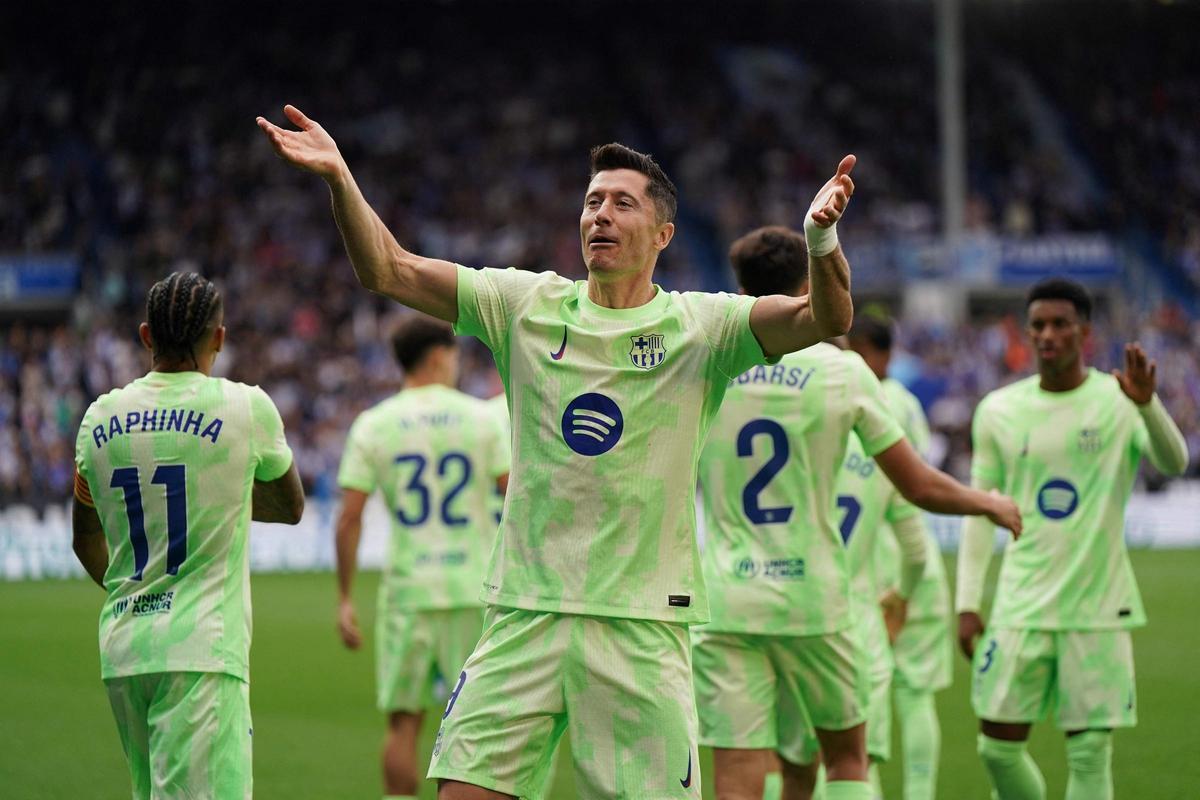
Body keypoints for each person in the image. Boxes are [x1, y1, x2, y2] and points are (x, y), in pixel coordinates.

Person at [257, 102, 855, 800]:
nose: (600, 213)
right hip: (525, 616)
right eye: (593, 200)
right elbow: (389, 270)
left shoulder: (706, 326)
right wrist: (339, 179)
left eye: (622, 203)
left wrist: (820, 242)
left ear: (663, 233)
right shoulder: (525, 305)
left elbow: (827, 317)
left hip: (639, 627)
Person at [691, 226, 1021, 800]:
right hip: (815, 600)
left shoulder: (709, 365)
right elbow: (916, 484)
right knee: (847, 758)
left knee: (740, 770)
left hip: (727, 599)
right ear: (804, 285)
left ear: (741, 287)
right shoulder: (842, 371)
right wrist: (986, 501)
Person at [72, 271, 305, 799]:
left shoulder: (99, 418)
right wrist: (220, 494)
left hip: (126, 651)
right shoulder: (246, 408)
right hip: (201, 651)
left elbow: (84, 538)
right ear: (218, 339)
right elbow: (291, 506)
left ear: (145, 336)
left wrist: (138, 596)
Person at [956, 278, 1188, 800]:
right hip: (1020, 606)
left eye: (1060, 324)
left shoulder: (1120, 399)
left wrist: (1149, 405)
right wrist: (968, 601)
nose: (1047, 335)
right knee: (996, 749)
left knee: (1088, 757)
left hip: (1096, 611)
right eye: (1037, 325)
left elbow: (1174, 463)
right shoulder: (997, 410)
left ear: (1085, 331)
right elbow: (977, 511)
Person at [335, 316, 510, 800]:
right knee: (475, 731)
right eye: (453, 355)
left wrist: (345, 598)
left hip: (409, 591)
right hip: (473, 590)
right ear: (438, 356)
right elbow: (513, 498)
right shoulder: (481, 418)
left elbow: (349, 518)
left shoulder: (374, 424)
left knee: (402, 725)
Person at [848, 316, 953, 800]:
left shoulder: (843, 393)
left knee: (853, 716)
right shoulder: (908, 404)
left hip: (864, 561)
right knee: (916, 696)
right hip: (916, 558)